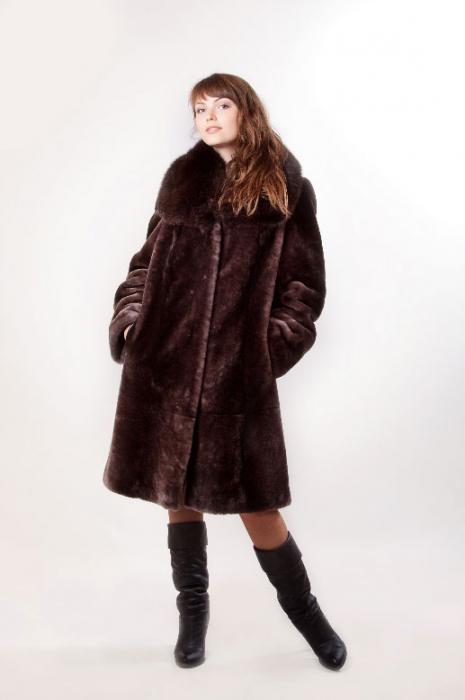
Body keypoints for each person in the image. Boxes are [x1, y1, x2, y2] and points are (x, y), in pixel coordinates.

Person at [104, 73, 347, 671]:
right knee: (177, 495)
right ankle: (193, 615)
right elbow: (143, 266)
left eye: (220, 105)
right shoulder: (181, 185)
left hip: (238, 380)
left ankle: (309, 616)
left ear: (246, 111)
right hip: (165, 369)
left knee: (258, 507)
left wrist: (267, 351)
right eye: (198, 109)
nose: (208, 117)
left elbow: (304, 289)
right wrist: (131, 321)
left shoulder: (286, 190)